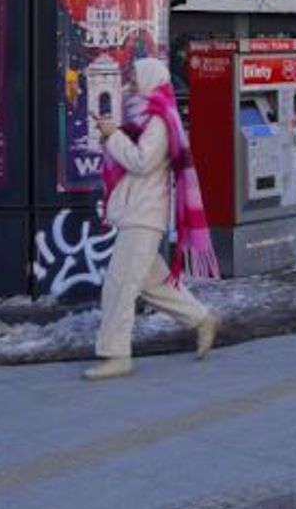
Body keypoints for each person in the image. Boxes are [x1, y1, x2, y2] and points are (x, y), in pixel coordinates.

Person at [85, 57, 221, 381]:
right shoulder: (143, 115)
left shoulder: (159, 119)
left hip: (144, 214)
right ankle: (202, 319)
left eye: (135, 77)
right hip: (139, 211)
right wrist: (111, 134)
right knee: (151, 283)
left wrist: (113, 136)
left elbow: (142, 162)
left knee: (119, 285)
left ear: (149, 79)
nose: (131, 83)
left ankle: (116, 355)